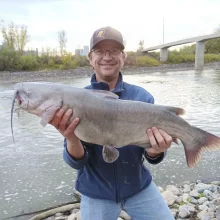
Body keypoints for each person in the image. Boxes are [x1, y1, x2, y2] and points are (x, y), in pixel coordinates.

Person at [50, 26, 174, 220]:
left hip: (139, 188)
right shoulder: (75, 100)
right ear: (90, 58)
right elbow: (75, 162)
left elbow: (152, 157)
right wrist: (71, 138)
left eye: (114, 51)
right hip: (96, 194)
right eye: (100, 51)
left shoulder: (142, 98)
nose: (107, 57)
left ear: (123, 57)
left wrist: (156, 149)